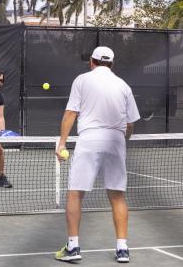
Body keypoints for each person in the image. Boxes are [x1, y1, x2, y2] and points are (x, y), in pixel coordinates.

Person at [54, 46, 140, 263]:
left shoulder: (81, 80)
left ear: (92, 61)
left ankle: (73, 247)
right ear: (112, 63)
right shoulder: (124, 86)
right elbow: (129, 125)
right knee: (117, 195)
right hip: (115, 140)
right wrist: (123, 139)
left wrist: (61, 143)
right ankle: (122, 249)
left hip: (89, 139)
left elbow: (71, 112)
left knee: (75, 193)